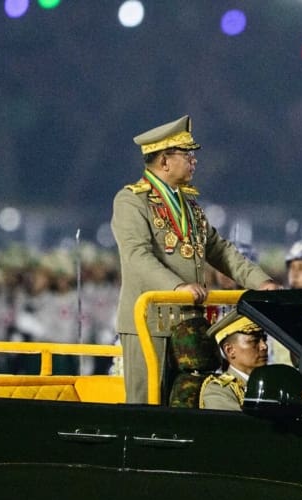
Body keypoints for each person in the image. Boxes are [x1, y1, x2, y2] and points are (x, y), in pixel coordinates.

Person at [110, 115, 280, 404]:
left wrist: (260, 281)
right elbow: (137, 255)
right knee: (148, 403)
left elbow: (219, 249)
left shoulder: (189, 204)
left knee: (186, 401)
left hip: (190, 322)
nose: (194, 161)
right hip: (152, 321)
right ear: (164, 161)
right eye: (187, 154)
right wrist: (176, 287)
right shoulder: (131, 201)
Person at [199, 311, 268, 411]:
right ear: (230, 350)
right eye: (254, 341)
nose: (264, 346)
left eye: (264, 339)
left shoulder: (270, 382)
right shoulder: (219, 390)